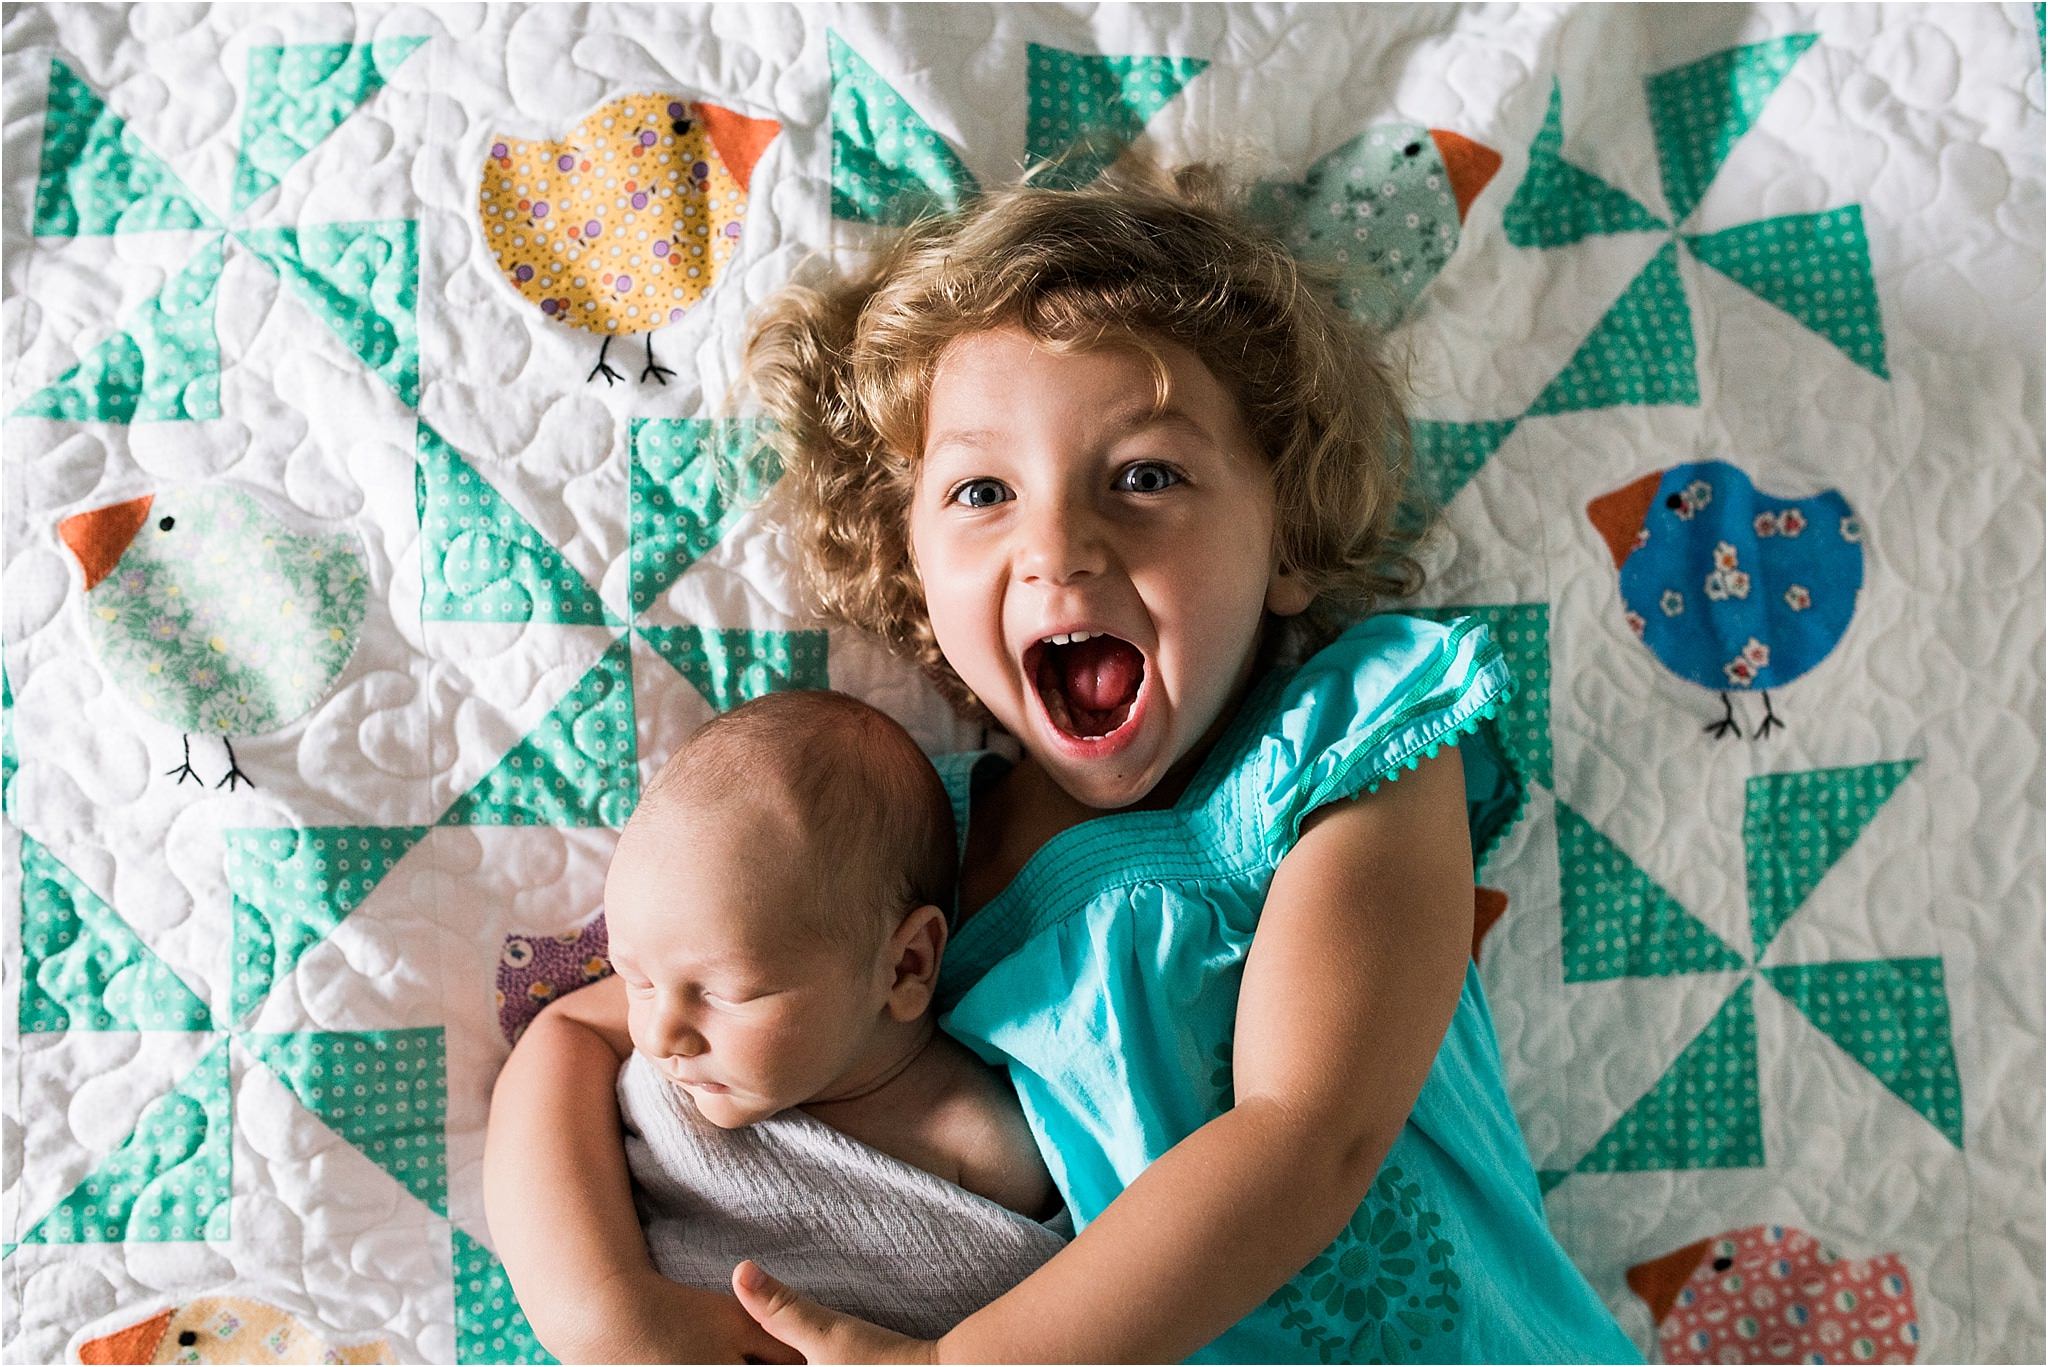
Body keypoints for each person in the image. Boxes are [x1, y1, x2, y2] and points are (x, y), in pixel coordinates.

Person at [490, 158, 1643, 1363]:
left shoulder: (1346, 751)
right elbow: (577, 1037)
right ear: (914, 582)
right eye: (983, 489)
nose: (1057, 545)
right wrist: (600, 1307)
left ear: (1286, 536)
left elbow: (1307, 1134)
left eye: (1144, 475)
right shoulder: (878, 843)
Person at [485, 690, 1062, 1361]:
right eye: (635, 978)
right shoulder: (666, 1031)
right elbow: (556, 1039)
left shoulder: (992, 1149)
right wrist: (602, 1308)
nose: (662, 1032)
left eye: (725, 992)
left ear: (904, 966)